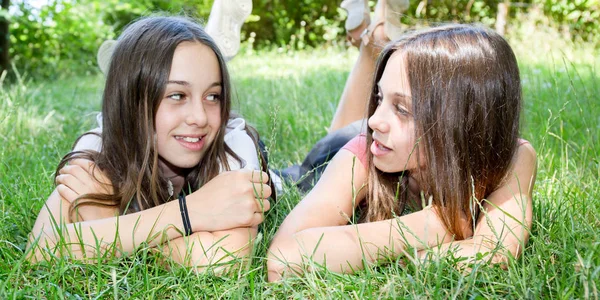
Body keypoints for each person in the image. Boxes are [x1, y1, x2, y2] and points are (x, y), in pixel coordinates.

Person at [267, 24, 537, 281]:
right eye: (380, 97)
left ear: (462, 123)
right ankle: (370, 44)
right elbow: (283, 259)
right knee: (300, 173)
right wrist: (428, 227)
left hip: (378, 144)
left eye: (403, 109)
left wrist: (412, 259)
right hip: (340, 153)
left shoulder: (511, 157)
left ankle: (374, 38)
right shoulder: (361, 154)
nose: (375, 119)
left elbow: (495, 251)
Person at [26, 16, 275, 273]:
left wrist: (110, 228)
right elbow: (41, 252)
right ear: (130, 104)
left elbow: (226, 259)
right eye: (177, 95)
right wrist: (191, 212)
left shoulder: (233, 143)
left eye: (213, 96)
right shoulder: (102, 146)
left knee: (301, 175)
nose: (200, 117)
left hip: (256, 164)